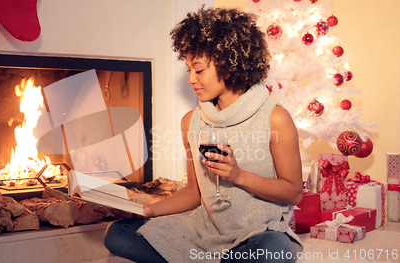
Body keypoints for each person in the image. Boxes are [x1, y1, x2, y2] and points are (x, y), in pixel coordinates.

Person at [104, 6, 303, 263]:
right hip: (203, 233)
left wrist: (238, 175)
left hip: (257, 234)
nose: (191, 80)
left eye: (198, 70)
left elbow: (293, 192)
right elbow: (194, 192)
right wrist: (148, 210)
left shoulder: (274, 117)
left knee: (276, 249)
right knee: (117, 233)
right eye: (189, 70)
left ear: (231, 63)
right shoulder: (191, 122)